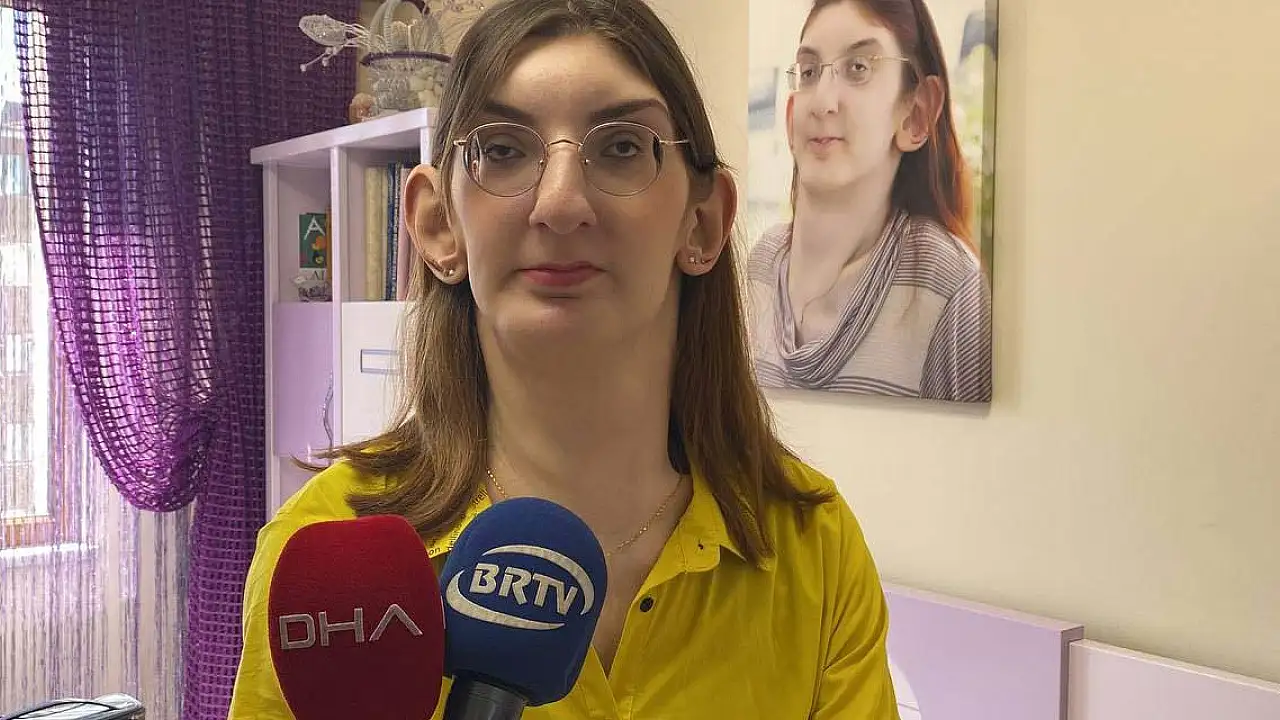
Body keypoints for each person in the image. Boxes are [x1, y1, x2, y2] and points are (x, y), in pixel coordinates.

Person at [228, 1, 899, 718]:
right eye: (502, 149)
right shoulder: (326, 561)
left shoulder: (815, 550)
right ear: (437, 224)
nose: (559, 203)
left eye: (622, 147)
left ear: (702, 222)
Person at [748, 0, 993, 403]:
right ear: (790, 118)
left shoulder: (953, 290)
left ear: (917, 113)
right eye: (809, 72)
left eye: (858, 68)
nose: (822, 102)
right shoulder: (759, 265)